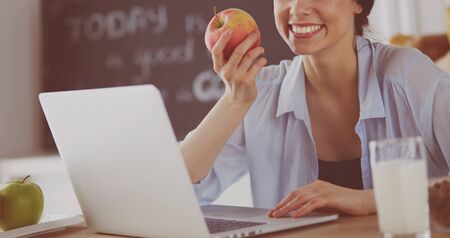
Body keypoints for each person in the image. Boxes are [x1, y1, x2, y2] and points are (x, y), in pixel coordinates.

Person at [179, 0, 450, 218]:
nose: (297, 8)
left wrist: (366, 200)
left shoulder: (407, 74)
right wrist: (234, 100)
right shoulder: (261, 91)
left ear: (358, 4)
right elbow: (171, 191)